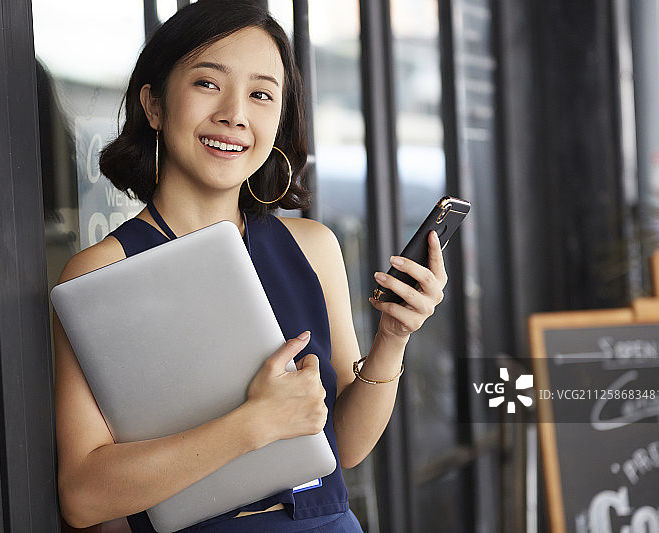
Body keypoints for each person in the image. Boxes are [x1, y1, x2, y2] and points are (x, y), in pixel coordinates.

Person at [53, 1, 448, 531]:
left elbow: (347, 448)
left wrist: (394, 337)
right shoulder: (99, 272)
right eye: (207, 84)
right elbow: (83, 496)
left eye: (262, 94)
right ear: (153, 104)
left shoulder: (312, 246)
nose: (235, 114)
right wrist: (254, 423)